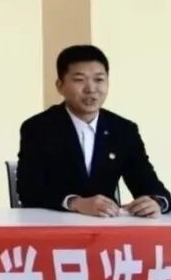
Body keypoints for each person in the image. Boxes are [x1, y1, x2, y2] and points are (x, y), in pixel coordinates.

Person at [17, 45, 169, 218]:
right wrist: (75, 203)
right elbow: (28, 190)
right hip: (54, 225)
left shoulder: (123, 130)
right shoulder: (38, 127)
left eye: (99, 79)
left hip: (106, 227)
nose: (91, 88)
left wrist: (157, 202)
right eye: (79, 80)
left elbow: (149, 185)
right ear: (60, 86)